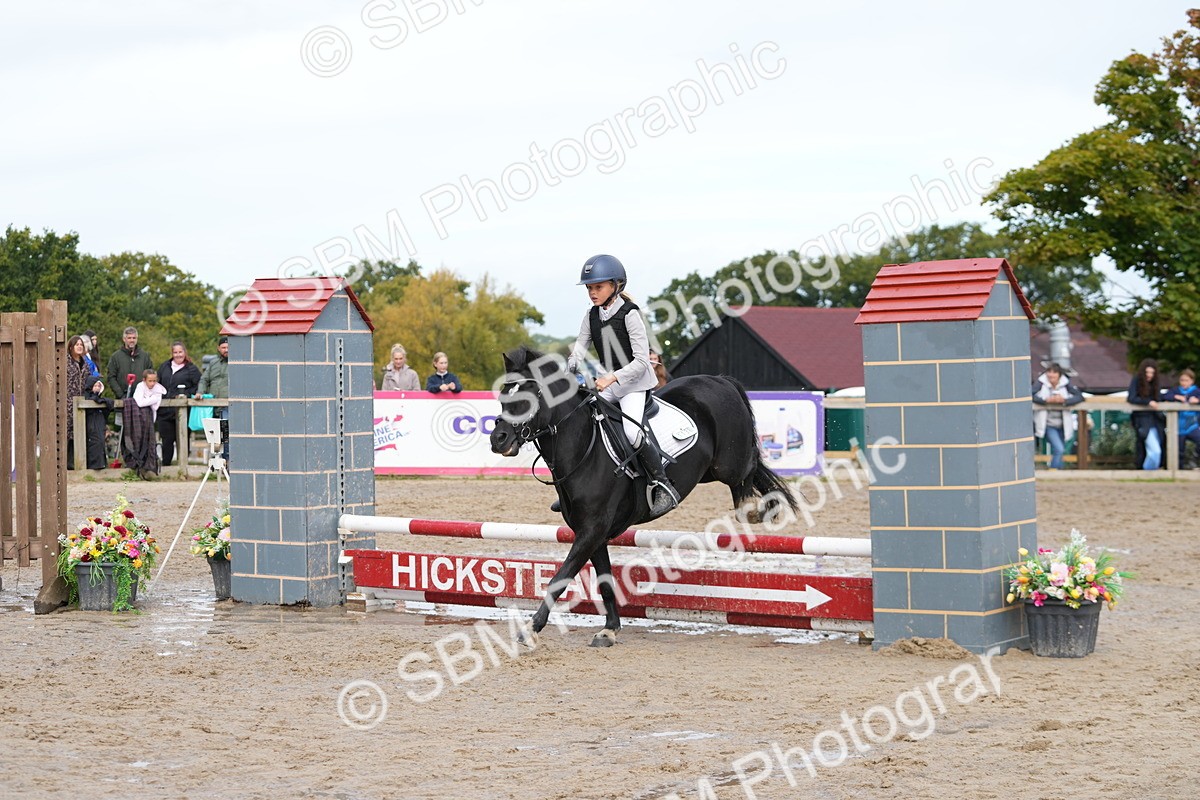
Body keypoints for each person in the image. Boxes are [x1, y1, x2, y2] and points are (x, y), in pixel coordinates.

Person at [567, 254, 679, 517]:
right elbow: (579, 348)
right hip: (610, 383)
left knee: (631, 432)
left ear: (615, 285)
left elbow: (641, 361)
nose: (592, 293)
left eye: (598, 287)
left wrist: (611, 378)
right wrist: (570, 368)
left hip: (635, 384)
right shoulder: (591, 315)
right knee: (581, 420)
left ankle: (662, 484)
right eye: (589, 288)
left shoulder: (630, 314)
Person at [157, 341, 202, 467]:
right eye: (175, 352)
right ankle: (166, 467)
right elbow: (157, 384)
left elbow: (198, 386)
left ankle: (183, 467)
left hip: (183, 411)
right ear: (172, 353)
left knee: (183, 438)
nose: (178, 355)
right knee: (167, 440)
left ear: (185, 352)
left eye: (180, 352)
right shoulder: (164, 367)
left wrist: (186, 394)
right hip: (165, 409)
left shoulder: (191, 369)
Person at [1031, 363, 1084, 470]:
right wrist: (1045, 401)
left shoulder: (1066, 383)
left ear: (1059, 375)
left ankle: (1059, 471)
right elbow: (1030, 395)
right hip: (1048, 423)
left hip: (1063, 424)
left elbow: (1079, 397)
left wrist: (1064, 400)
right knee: (1059, 449)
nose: (1051, 375)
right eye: (1049, 373)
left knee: (1061, 450)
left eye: (1054, 373)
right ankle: (1054, 470)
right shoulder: (1040, 383)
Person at [126, 369, 166, 480]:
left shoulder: (158, 389)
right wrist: (152, 399)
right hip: (138, 419)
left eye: (154, 381)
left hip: (150, 419)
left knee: (149, 443)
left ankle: (148, 468)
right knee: (137, 441)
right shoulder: (140, 386)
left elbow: (155, 406)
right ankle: (137, 467)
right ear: (144, 380)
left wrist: (147, 399)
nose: (152, 383)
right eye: (150, 381)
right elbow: (139, 402)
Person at [1128, 358, 1167, 470]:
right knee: (1155, 451)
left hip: (1156, 420)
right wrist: (1148, 402)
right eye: (1147, 372)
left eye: (1152, 373)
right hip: (1143, 420)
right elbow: (1131, 398)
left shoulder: (1155, 384)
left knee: (1157, 449)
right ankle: (1147, 472)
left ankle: (1149, 472)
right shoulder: (1136, 381)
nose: (1149, 375)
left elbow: (1160, 397)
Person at [196, 337, 230, 464]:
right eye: (223, 347)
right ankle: (215, 464)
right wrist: (200, 392)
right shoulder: (213, 363)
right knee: (213, 436)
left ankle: (228, 462)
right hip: (213, 406)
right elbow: (204, 380)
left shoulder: (237, 362)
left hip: (228, 406)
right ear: (218, 348)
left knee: (227, 435)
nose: (226, 350)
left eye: (228, 347)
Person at [1163, 367, 1200, 469]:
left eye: (1186, 380)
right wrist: (1176, 397)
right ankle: (1179, 470)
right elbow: (1164, 396)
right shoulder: (1175, 391)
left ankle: (1195, 457)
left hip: (1192, 425)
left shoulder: (1196, 391)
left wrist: (1197, 400)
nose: (1184, 383)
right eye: (1182, 380)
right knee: (1179, 451)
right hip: (1178, 427)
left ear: (1192, 381)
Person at [105, 326, 154, 400]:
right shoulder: (116, 357)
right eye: (129, 338)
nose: (132, 340)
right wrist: (120, 395)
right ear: (124, 339)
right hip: (122, 400)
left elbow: (150, 376)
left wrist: (145, 393)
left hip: (142, 399)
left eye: (134, 338)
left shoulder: (145, 356)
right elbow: (111, 377)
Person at [65, 335, 89, 470]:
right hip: (67, 402)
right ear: (71, 347)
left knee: (78, 432)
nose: (79, 346)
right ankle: (64, 462)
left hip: (81, 402)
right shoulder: (65, 362)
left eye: (81, 344)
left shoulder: (86, 364)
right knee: (66, 433)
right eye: (77, 344)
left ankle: (75, 462)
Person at [82, 377, 113, 470]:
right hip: (91, 425)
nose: (97, 388)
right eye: (95, 386)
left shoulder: (101, 399)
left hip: (100, 425)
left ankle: (101, 465)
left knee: (101, 443)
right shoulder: (87, 398)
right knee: (94, 443)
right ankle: (93, 466)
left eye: (99, 386)